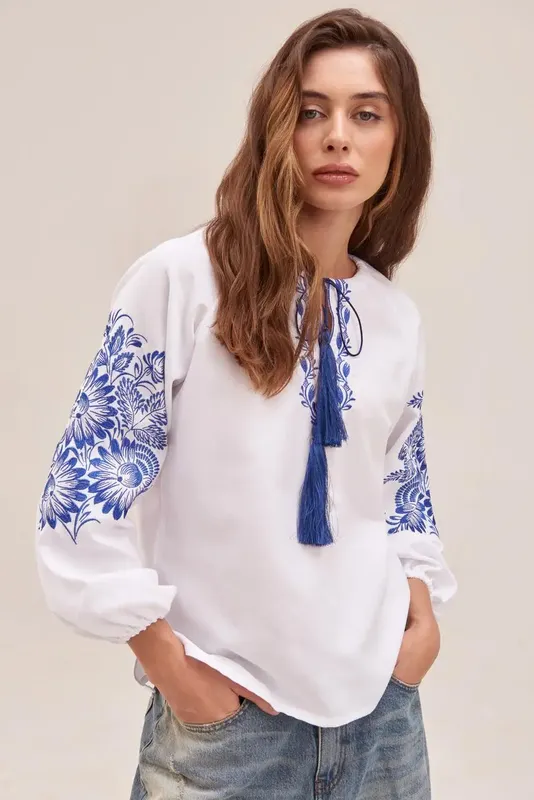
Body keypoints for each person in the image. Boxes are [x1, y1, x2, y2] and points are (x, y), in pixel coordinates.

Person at [35, 7, 457, 799]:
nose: (338, 138)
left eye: (367, 114)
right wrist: (170, 664)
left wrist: (420, 619)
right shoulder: (182, 280)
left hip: (383, 720)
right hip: (230, 732)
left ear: (401, 141)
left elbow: (402, 491)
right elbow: (86, 485)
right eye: (311, 112)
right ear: (276, 129)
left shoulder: (394, 317)